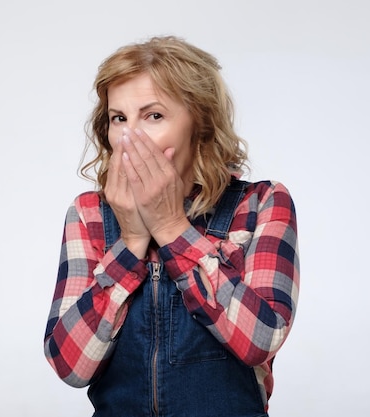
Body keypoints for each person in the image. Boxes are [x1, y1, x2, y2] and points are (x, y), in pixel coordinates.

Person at [44, 36, 300, 417]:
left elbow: (261, 340)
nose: (130, 137)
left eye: (154, 116)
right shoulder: (89, 213)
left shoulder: (262, 203)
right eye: (119, 118)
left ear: (200, 124)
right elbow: (70, 365)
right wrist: (130, 241)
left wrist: (170, 227)